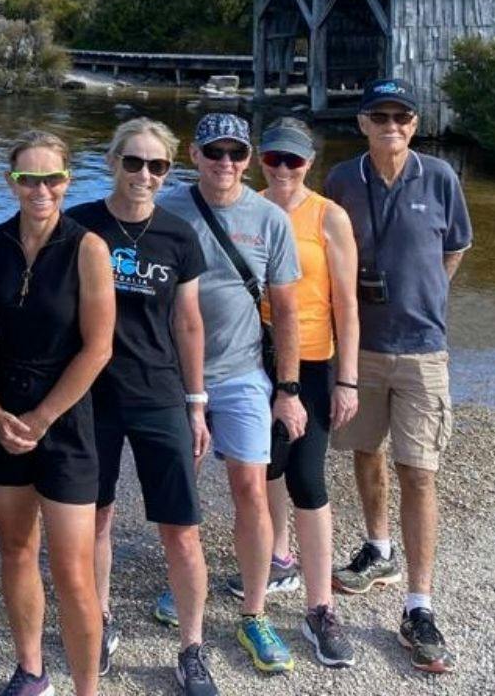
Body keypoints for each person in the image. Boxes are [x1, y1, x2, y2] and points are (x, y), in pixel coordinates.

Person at [324, 79, 472, 674]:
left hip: (421, 350)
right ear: (362, 123)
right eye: (379, 114)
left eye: (401, 115)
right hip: (359, 348)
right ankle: (377, 549)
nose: (391, 123)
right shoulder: (339, 181)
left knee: (420, 472)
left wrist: (428, 297)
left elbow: (454, 247)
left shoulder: (439, 177)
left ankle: (419, 604)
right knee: (365, 454)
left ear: (414, 123)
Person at [69, 118, 219, 696]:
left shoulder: (179, 235)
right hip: (93, 396)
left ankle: (192, 647)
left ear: (168, 171)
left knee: (181, 529)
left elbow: (188, 322)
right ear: (113, 163)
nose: (145, 175)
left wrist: (196, 402)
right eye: (134, 163)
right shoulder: (80, 225)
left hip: (158, 392)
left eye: (157, 166)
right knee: (97, 517)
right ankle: (100, 622)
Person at [155, 113, 304, 676]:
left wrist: (287, 389)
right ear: (193, 154)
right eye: (213, 152)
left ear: (248, 158)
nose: (225, 164)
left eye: (236, 153)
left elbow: (285, 311)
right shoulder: (167, 209)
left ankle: (254, 610)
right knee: (181, 487)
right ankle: (183, 585)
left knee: (251, 487)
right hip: (173, 375)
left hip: (242, 372)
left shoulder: (269, 219)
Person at [0, 132, 113, 696]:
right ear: (11, 181)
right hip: (4, 410)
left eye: (51, 178)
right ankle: (31, 670)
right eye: (27, 178)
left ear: (67, 181)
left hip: (67, 417)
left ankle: (86, 688)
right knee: (15, 548)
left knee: (74, 572)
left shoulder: (88, 248)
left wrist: (45, 417)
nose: (40, 190)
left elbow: (98, 348)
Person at [251, 118, 361, 669]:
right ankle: (276, 559)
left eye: (293, 160)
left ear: (309, 163)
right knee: (265, 467)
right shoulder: (247, 209)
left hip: (315, 361)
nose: (283, 170)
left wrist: (348, 377)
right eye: (274, 158)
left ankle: (320, 607)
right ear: (259, 160)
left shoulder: (329, 216)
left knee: (307, 475)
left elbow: (348, 303)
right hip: (255, 359)